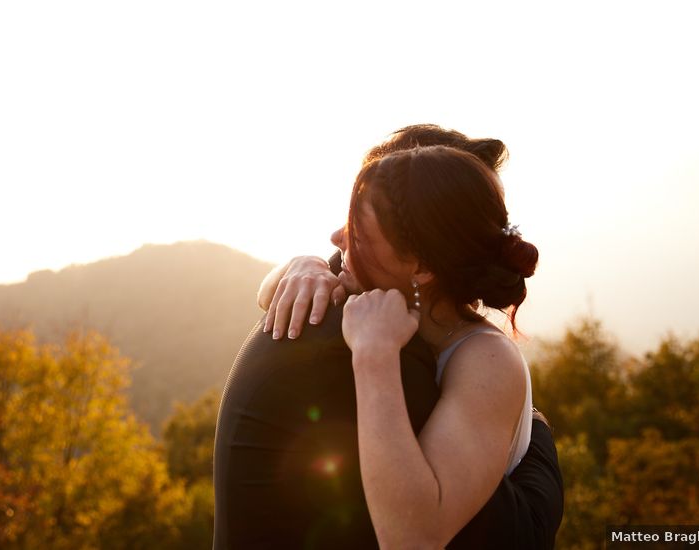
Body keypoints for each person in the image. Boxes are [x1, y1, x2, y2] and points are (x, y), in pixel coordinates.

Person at [213, 125, 563, 549]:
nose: (336, 241)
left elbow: (413, 539)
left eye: (356, 234)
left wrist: (374, 354)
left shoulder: (483, 358)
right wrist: (301, 266)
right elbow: (276, 294)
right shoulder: (380, 294)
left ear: (421, 265)